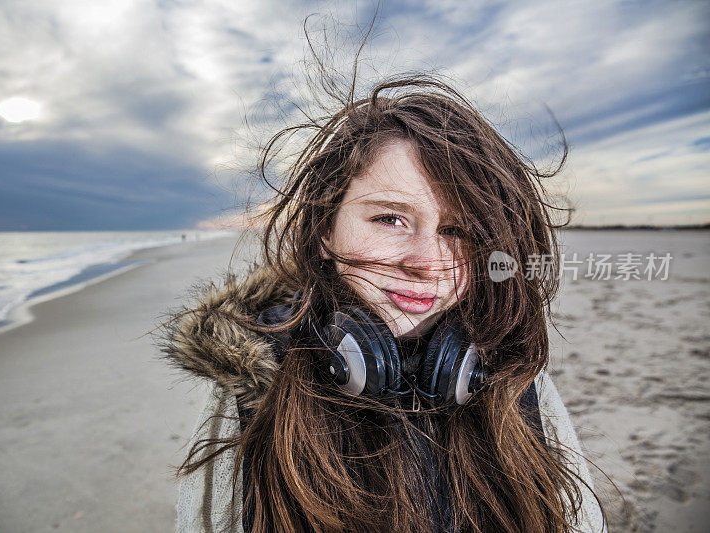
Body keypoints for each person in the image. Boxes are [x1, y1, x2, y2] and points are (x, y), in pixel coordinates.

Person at [157, 76, 606, 532]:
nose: (427, 263)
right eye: (389, 218)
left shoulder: (517, 380)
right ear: (324, 231)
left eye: (458, 232)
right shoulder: (254, 384)